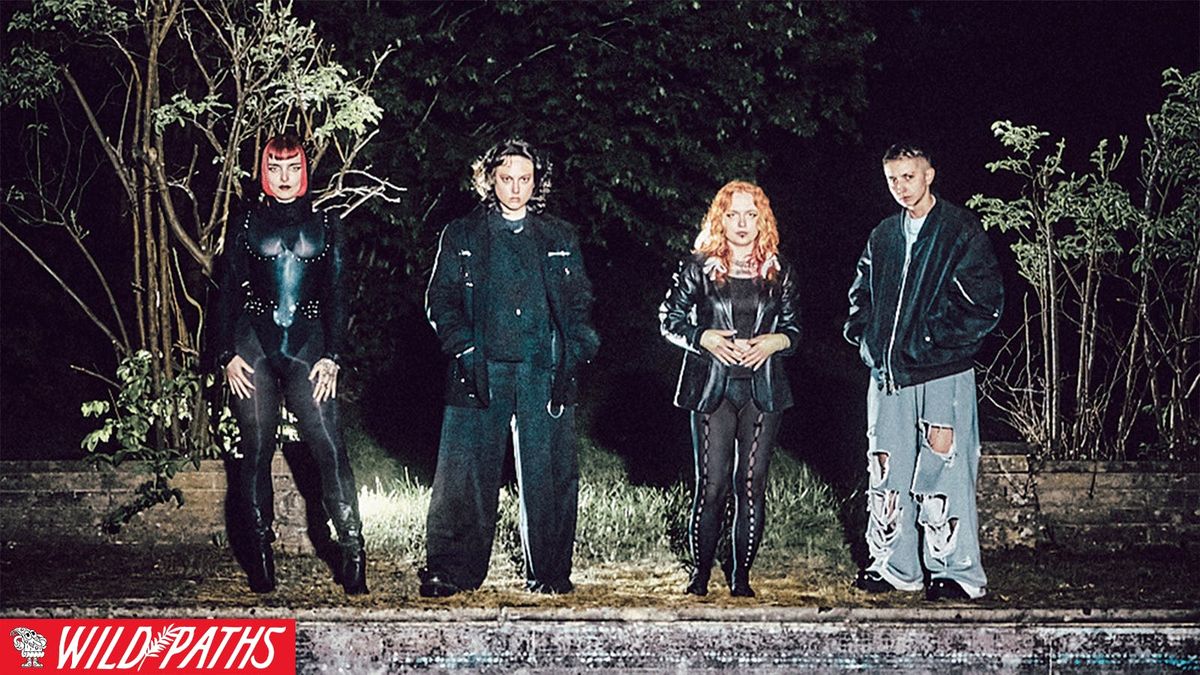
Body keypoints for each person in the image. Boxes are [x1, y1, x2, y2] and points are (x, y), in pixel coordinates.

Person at [419, 139, 599, 597]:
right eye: (506, 178)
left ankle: (549, 573)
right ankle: (450, 570)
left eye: (524, 179)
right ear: (489, 180)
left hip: (542, 369)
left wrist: (576, 345)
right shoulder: (462, 234)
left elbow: (579, 298)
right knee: (464, 473)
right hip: (481, 366)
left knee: (550, 473)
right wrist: (462, 347)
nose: (516, 188)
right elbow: (440, 299)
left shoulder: (559, 236)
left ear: (537, 182)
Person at [844, 143, 1004, 601]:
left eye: (909, 176)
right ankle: (894, 566)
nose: (901, 186)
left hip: (942, 370)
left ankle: (955, 571)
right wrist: (868, 340)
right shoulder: (883, 235)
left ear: (929, 174)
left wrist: (931, 341)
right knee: (885, 467)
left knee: (943, 467)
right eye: (892, 178)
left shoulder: (959, 229)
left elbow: (984, 303)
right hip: (889, 374)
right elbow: (860, 296)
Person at [212, 134, 367, 595]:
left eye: (293, 168)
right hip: (253, 344)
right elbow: (226, 290)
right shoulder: (245, 222)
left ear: (305, 172)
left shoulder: (328, 223)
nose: (284, 178)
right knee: (256, 447)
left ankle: (353, 550)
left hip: (308, 345)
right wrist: (225, 354)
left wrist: (334, 356)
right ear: (264, 172)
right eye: (275, 168)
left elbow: (338, 294)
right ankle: (260, 557)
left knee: (329, 445)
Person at [660, 180, 802, 598]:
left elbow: (795, 329)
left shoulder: (780, 270)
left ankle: (741, 579)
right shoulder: (698, 267)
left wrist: (777, 341)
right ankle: (700, 577)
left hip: (763, 389)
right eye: (733, 214)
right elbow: (669, 318)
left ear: (763, 220)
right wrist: (701, 336)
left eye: (750, 215)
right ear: (719, 218)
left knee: (752, 484)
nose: (742, 223)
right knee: (713, 485)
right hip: (713, 388)